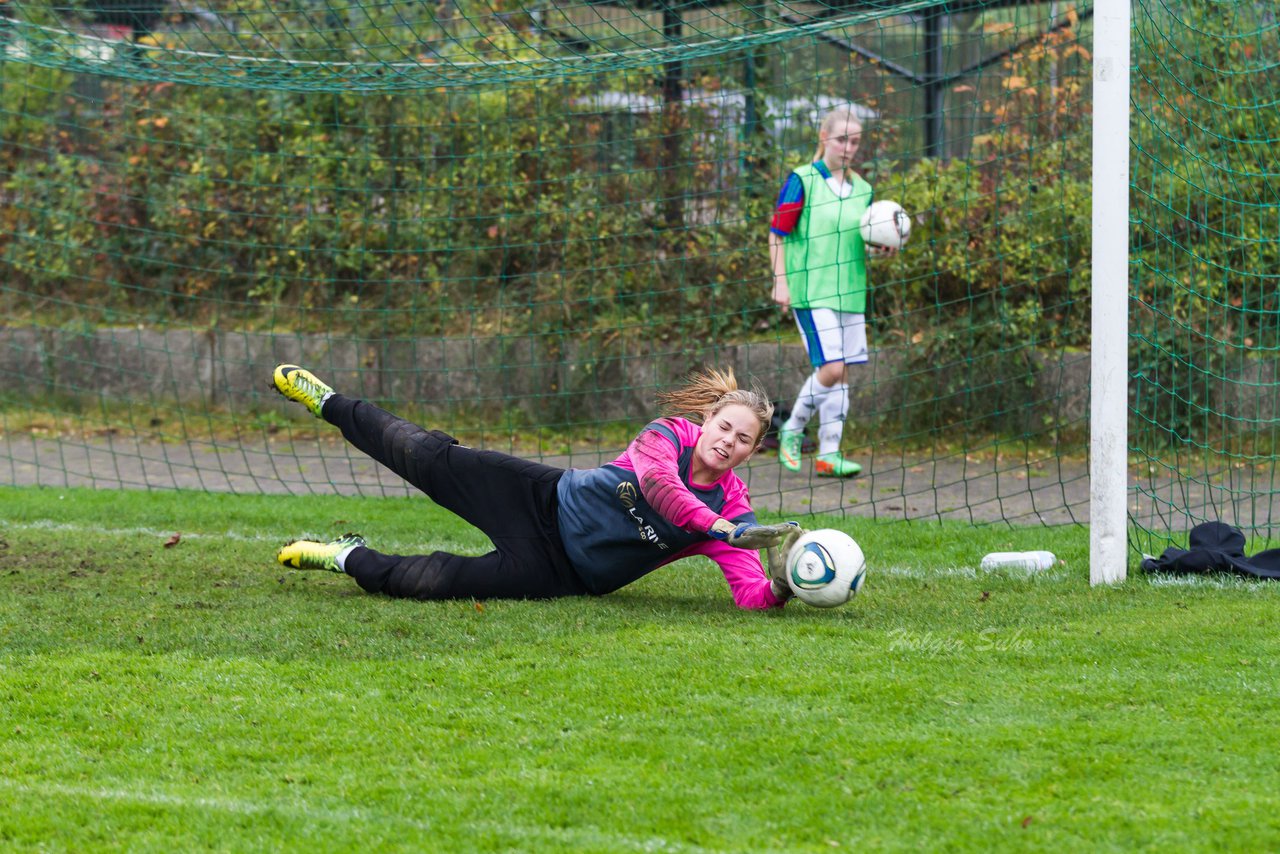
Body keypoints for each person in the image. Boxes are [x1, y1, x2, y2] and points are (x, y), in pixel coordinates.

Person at [270, 364, 804, 609]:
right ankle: (328, 401)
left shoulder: (734, 513)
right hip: (543, 497)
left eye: (743, 440)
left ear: (753, 452)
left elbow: (749, 595)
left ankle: (343, 556)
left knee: (428, 582)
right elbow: (660, 485)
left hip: (560, 573)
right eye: (725, 427)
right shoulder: (666, 436)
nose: (728, 441)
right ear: (709, 419)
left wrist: (781, 586)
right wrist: (720, 527)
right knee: (426, 458)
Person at [768, 105, 895, 478]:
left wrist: (883, 248)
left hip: (851, 292)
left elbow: (867, 237)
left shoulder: (865, 190)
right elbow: (777, 234)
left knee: (844, 374)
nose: (849, 147)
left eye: (855, 141)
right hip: (811, 290)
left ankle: (829, 453)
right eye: (842, 139)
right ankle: (792, 429)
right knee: (831, 367)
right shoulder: (802, 180)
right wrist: (780, 281)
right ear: (824, 138)